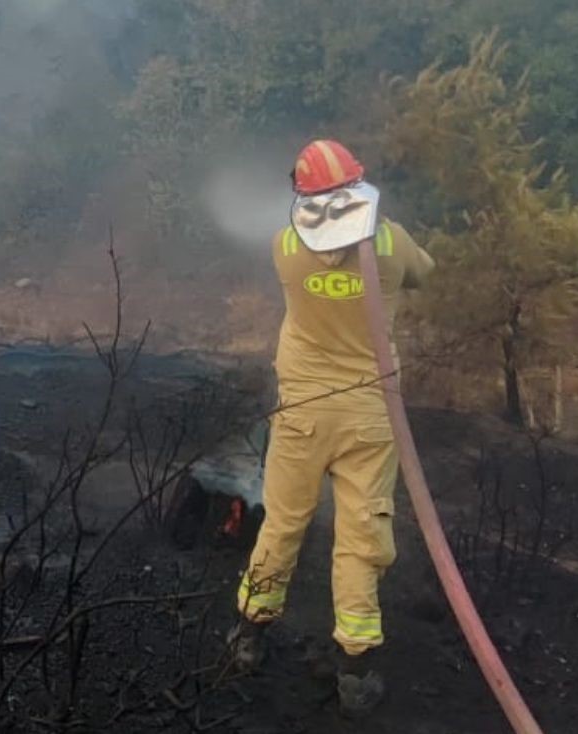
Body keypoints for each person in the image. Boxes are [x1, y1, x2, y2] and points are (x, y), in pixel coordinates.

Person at [227, 139, 436, 718]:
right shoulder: (390, 244)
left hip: (302, 415)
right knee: (362, 537)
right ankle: (357, 669)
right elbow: (427, 272)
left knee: (284, 522)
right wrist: (382, 231)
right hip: (371, 415)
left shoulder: (285, 248)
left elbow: (312, 243)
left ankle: (248, 636)